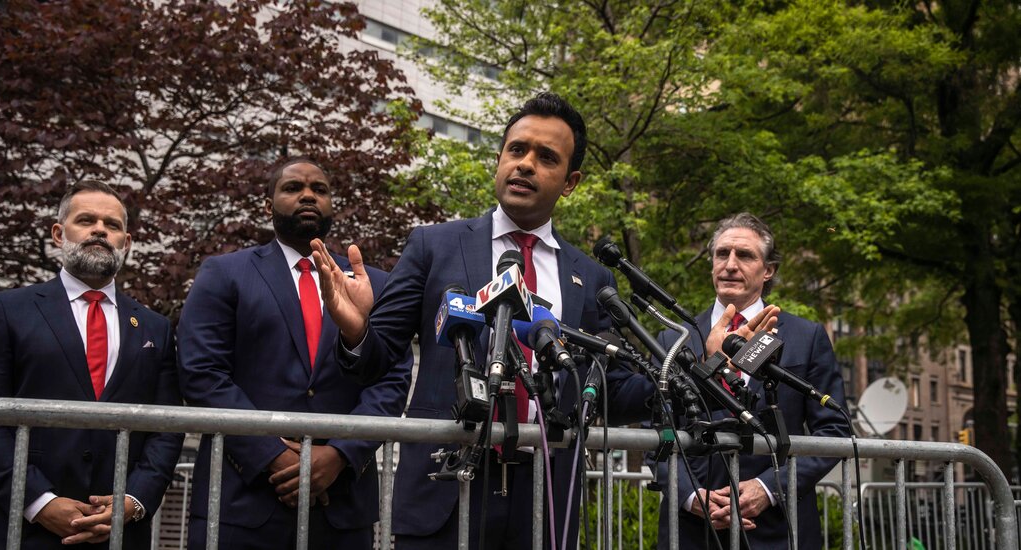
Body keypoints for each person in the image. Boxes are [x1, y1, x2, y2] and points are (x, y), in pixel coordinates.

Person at [312, 92, 620, 549]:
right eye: (517, 150)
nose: (525, 165)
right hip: (445, 486)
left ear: (570, 182)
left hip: (544, 495)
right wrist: (356, 328)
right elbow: (377, 360)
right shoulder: (432, 246)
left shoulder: (591, 277)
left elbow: (609, 385)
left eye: (546, 157)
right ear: (499, 160)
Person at [177, 158, 412, 549]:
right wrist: (274, 456)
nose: (308, 195)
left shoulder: (373, 285)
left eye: (319, 189)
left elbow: (392, 378)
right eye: (292, 188)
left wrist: (339, 454)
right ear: (268, 205)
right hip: (240, 501)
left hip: (341, 506)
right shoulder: (224, 274)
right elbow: (201, 372)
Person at [0, 181, 184, 549]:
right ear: (59, 234)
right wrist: (39, 501)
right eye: (86, 220)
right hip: (21, 529)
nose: (100, 230)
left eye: (112, 225)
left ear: (126, 243)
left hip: (119, 533)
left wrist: (135, 499)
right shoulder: (6, 311)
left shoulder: (156, 328)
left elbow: (167, 426)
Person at [654, 212, 849, 549]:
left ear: (768, 269)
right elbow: (655, 431)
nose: (730, 265)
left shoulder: (807, 337)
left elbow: (834, 431)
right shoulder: (672, 340)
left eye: (744, 255)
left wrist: (769, 488)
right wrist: (690, 495)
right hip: (693, 530)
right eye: (722, 254)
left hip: (778, 528)